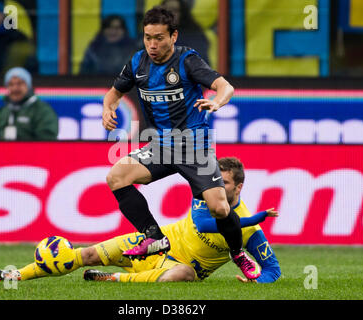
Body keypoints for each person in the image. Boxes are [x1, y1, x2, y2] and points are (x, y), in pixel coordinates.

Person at [102, 7, 259, 279]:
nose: (153, 44)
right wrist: (108, 109)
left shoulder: (188, 61)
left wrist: (217, 101)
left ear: (173, 36)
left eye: (160, 38)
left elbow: (226, 87)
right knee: (116, 176)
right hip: (160, 145)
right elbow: (113, 94)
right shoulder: (137, 63)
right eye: (148, 37)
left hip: (193, 145)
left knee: (220, 208)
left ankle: (237, 252)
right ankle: (154, 237)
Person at [0, 157, 281, 284]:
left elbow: (273, 269)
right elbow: (205, 226)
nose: (216, 186)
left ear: (239, 188)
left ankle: (114, 279)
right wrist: (256, 217)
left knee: (184, 276)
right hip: (156, 244)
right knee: (88, 253)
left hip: (178, 266)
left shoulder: (250, 230)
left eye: (225, 182)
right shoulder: (204, 197)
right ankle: (17, 274)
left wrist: (259, 282)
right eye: (215, 179)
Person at [0, 67, 58, 140]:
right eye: (11, 84)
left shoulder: (42, 111)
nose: (15, 88)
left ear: (28, 86)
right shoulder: (0, 112)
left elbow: (48, 141)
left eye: (19, 83)